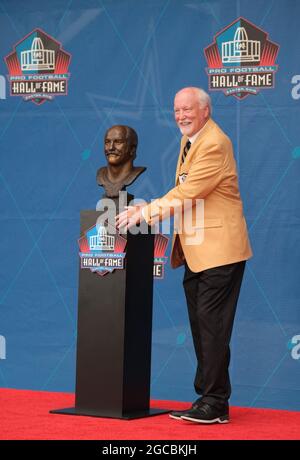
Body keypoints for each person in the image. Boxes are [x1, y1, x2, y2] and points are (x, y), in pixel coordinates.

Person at [116, 87, 252, 424]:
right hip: (196, 251)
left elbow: (189, 192)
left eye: (188, 109)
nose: (181, 116)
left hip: (220, 252)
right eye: (177, 110)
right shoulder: (190, 139)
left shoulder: (214, 143)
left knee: (212, 327)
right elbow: (186, 190)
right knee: (204, 327)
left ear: (206, 110)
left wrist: (146, 212)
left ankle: (215, 402)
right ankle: (211, 397)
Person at [97, 125, 146, 198]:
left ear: (132, 149)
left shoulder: (135, 173)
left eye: (118, 142)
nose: (111, 148)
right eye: (107, 142)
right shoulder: (101, 174)